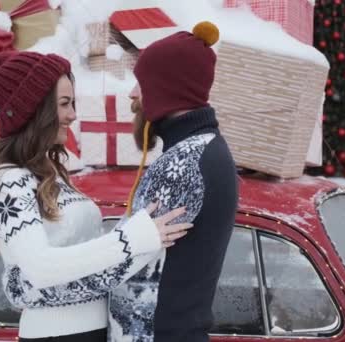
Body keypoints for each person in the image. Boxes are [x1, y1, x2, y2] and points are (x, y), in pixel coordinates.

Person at [0, 48, 193, 342]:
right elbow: (40, 268)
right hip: (57, 335)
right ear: (34, 109)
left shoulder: (51, 171)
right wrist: (131, 239)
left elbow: (90, 252)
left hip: (93, 329)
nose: (73, 115)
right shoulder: (9, 180)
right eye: (64, 104)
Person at [108, 21, 239, 342]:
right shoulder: (205, 148)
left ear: (166, 87)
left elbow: (127, 261)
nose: (132, 93)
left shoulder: (182, 164)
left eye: (141, 82)